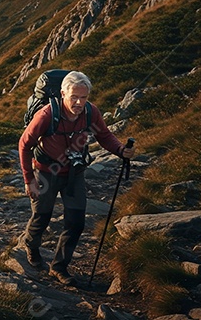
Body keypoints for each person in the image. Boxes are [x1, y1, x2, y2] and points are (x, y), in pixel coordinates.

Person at [18, 70, 137, 286]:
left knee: (76, 222)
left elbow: (104, 135)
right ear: (63, 93)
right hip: (46, 172)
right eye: (74, 97)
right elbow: (24, 144)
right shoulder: (46, 116)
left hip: (74, 173)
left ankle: (59, 267)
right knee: (41, 218)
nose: (79, 102)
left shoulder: (91, 112)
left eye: (84, 97)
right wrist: (29, 180)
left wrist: (120, 150)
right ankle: (31, 246)